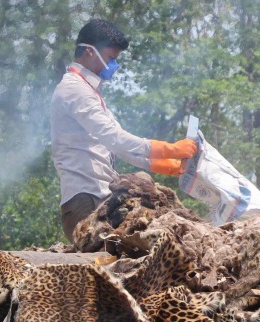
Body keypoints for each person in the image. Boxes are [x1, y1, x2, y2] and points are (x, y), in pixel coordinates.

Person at [50, 19, 198, 242]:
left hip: (102, 196)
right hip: (85, 199)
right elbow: (116, 139)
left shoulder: (91, 92)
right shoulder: (73, 90)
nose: (113, 66)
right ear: (90, 52)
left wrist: (166, 166)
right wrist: (171, 149)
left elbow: (117, 149)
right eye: (111, 58)